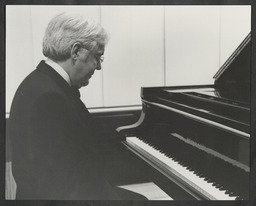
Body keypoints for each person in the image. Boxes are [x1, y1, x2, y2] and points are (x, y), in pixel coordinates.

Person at [8, 12, 140, 200]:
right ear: (76, 51)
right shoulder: (50, 98)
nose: (99, 67)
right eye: (97, 57)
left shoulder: (41, 83)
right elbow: (62, 187)